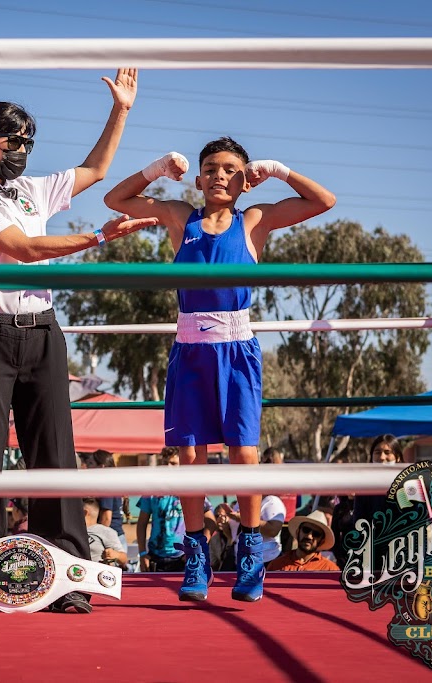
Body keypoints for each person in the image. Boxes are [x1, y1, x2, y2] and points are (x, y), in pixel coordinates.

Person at [0, 69, 156, 615]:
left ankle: (65, 576)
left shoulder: (33, 189)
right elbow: (24, 249)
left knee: (56, 455)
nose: (22, 152)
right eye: (13, 142)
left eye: (28, 144)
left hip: (43, 332)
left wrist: (122, 110)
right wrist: (99, 237)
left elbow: (97, 168)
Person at [104, 137, 336, 602]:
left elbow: (323, 201)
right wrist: (156, 167)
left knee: (243, 457)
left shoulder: (255, 220)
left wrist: (277, 168)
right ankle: (197, 559)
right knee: (190, 458)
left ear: (244, 178)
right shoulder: (178, 217)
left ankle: (251, 554)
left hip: (237, 348)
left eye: (230, 168)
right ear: (198, 178)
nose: (219, 175)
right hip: (190, 348)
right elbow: (116, 200)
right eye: (210, 168)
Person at [136, 449, 186, 572]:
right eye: (165, 463)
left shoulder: (189, 488)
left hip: (183, 557)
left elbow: (210, 521)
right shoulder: (152, 490)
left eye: (173, 463)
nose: (168, 467)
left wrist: (195, 550)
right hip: (156, 557)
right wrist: (142, 553)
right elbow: (141, 523)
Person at [267, 510, 340, 571]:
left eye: (316, 534)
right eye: (306, 530)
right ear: (298, 532)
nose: (309, 536)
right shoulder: (276, 565)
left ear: (322, 540)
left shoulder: (330, 570)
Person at [83, 498, 127, 567]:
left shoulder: (105, 531)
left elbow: (124, 559)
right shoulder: (71, 530)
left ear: (85, 512)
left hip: (96, 573)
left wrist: (116, 555)